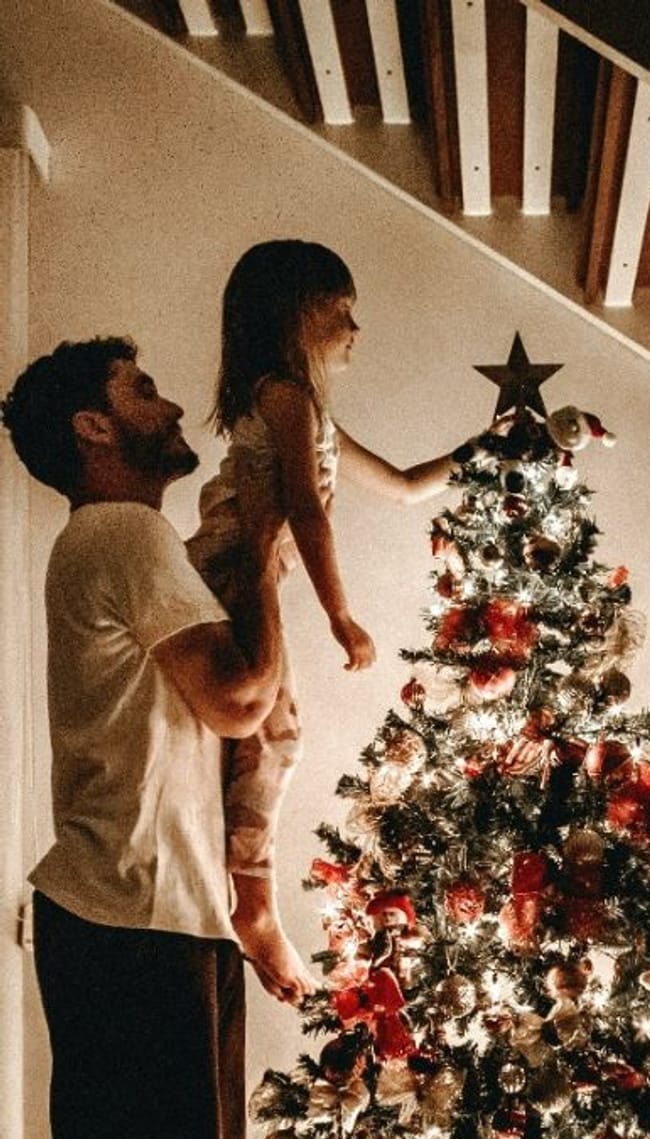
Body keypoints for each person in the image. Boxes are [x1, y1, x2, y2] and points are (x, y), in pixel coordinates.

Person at [0, 335, 314, 1139]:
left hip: (166, 908)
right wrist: (265, 556)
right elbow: (238, 696)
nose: (170, 401)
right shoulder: (123, 531)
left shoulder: (123, 540)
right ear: (92, 428)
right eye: (138, 389)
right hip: (128, 912)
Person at [186, 238, 461, 985]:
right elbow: (305, 511)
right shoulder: (285, 396)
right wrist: (341, 617)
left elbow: (404, 485)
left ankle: (241, 891)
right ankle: (251, 904)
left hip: (240, 580)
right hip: (227, 576)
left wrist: (484, 450)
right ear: (296, 316)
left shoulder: (306, 411)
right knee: (274, 734)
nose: (354, 329)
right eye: (342, 310)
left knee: (265, 738)